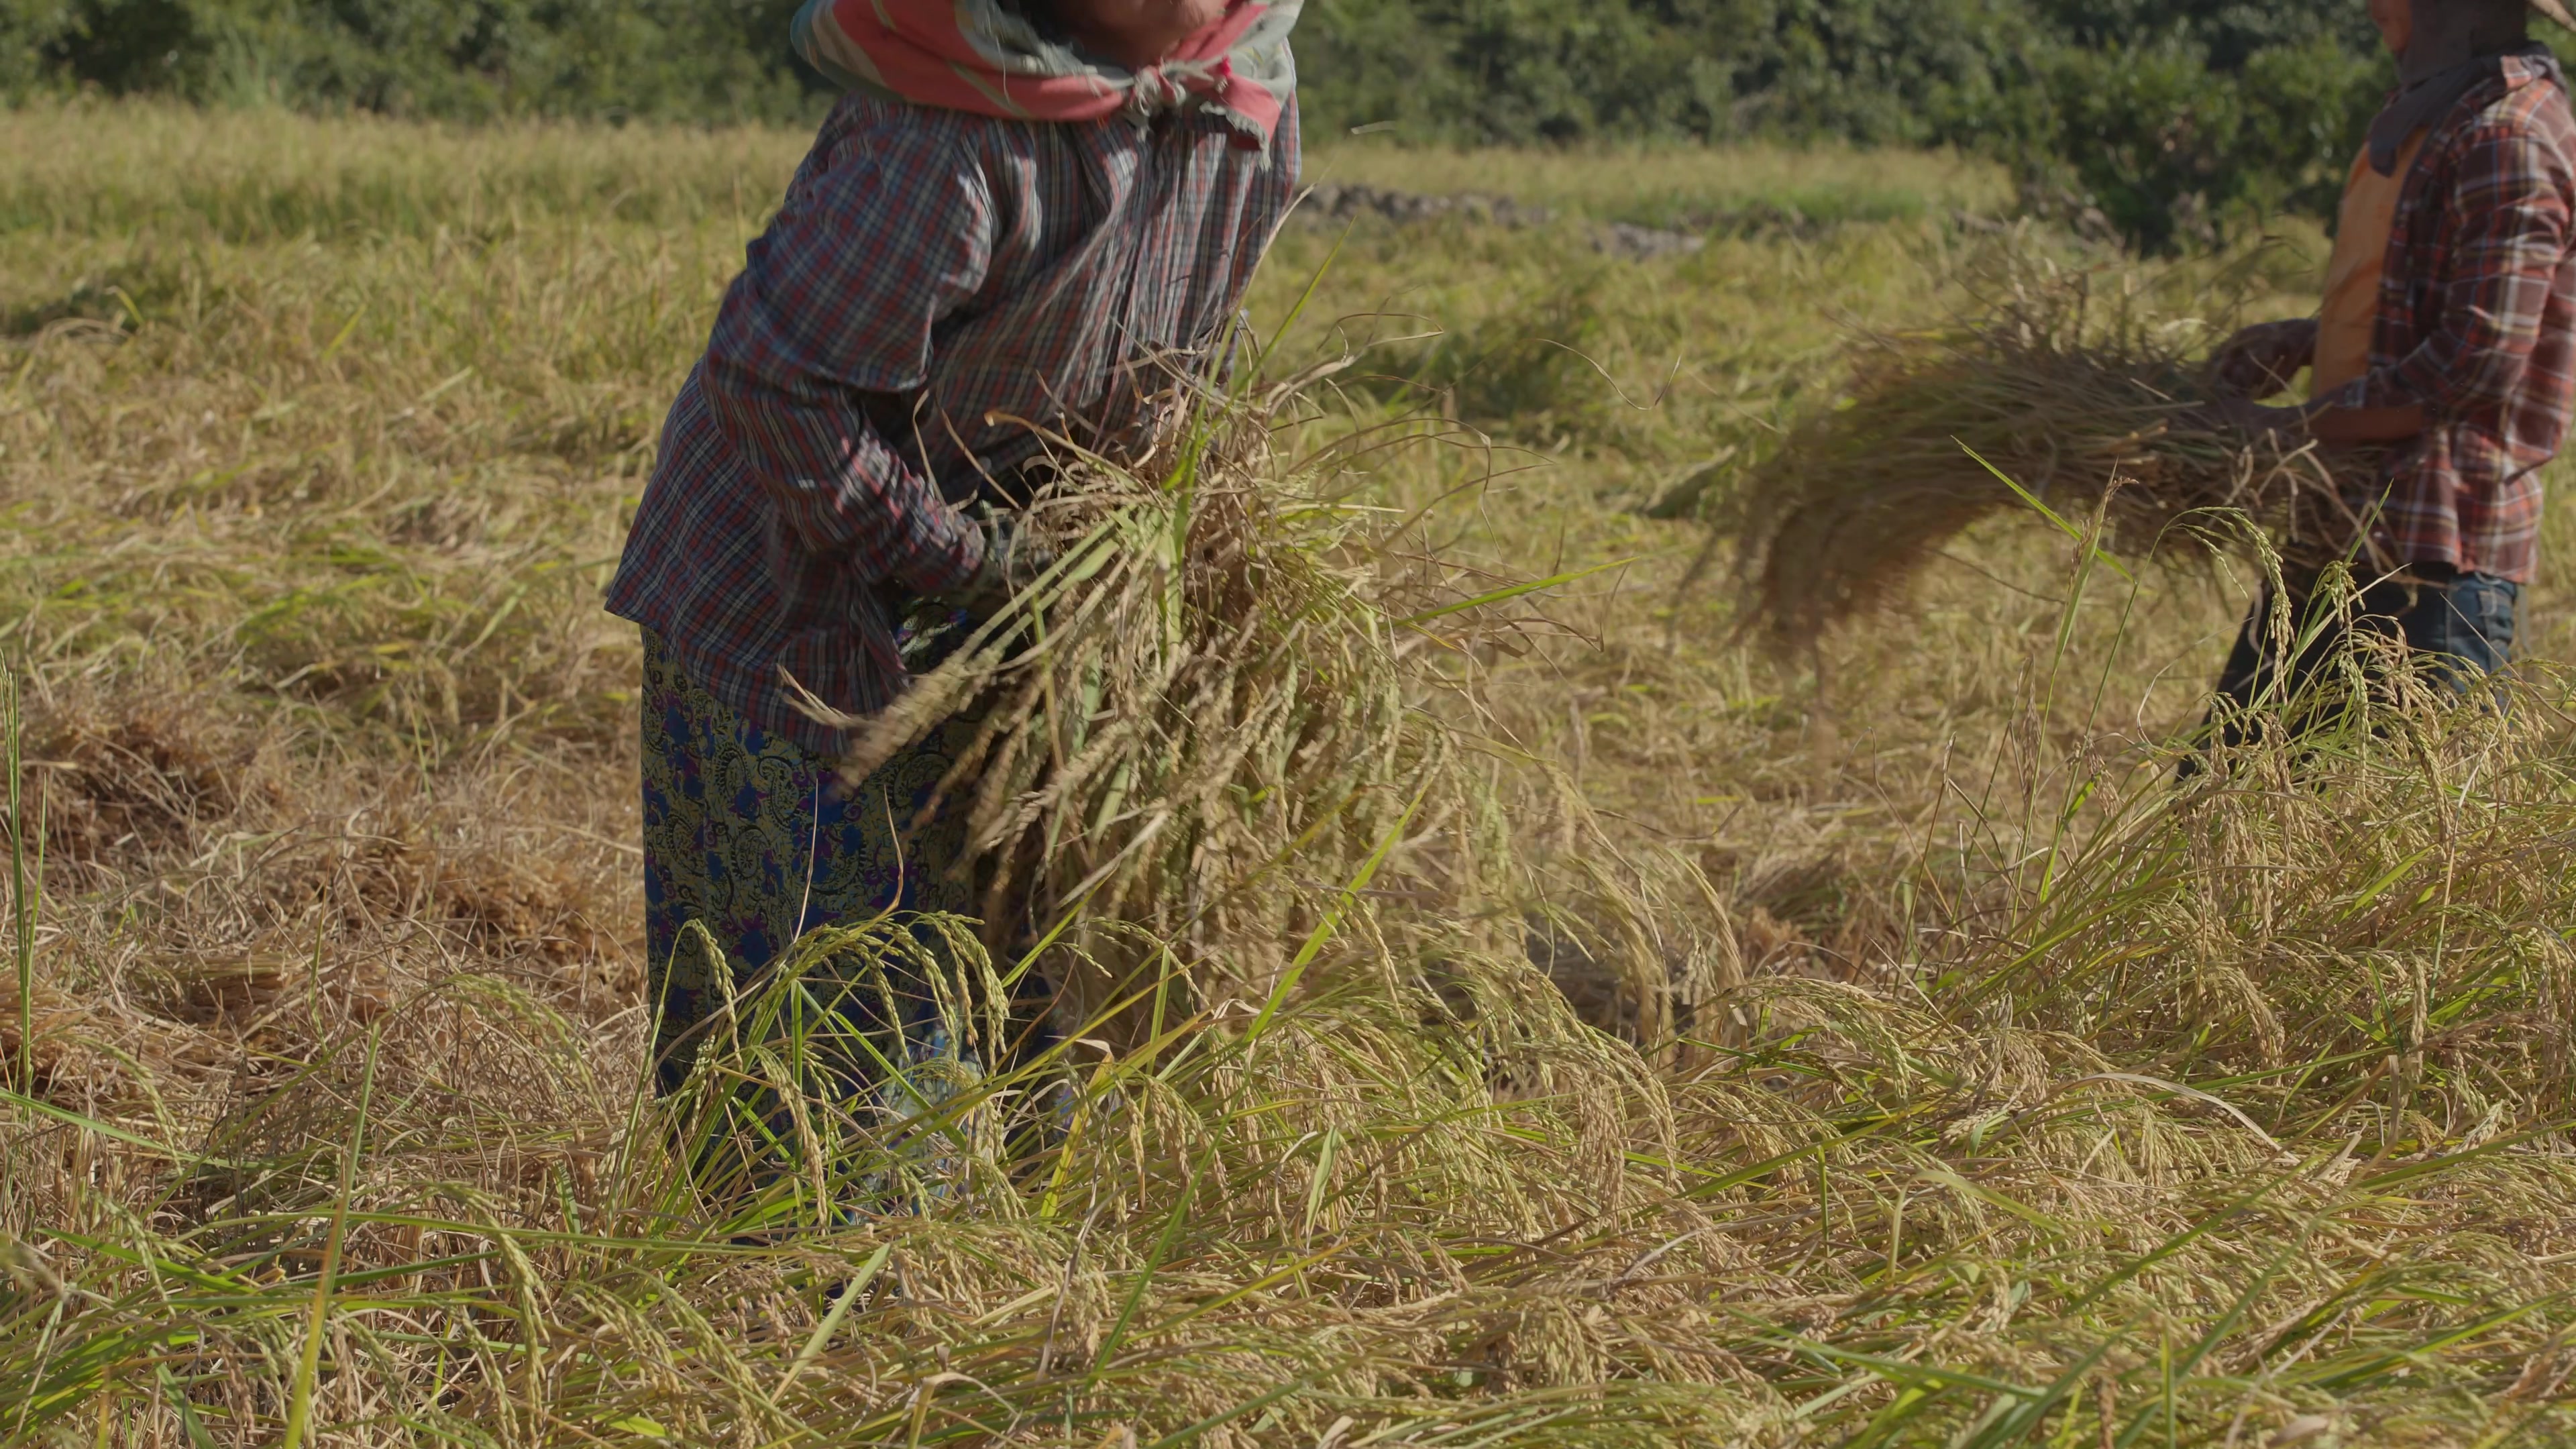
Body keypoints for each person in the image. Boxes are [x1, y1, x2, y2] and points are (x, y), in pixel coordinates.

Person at [604, 0, 1299, 1106]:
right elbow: (778, 387)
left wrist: (1140, 559)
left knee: (1035, 1023)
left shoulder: (1245, 95)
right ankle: (790, 1276)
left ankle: (997, 1267)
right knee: (823, 1052)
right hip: (795, 608)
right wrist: (976, 564)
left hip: (1023, 609)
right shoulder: (953, 135)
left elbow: (1185, 354)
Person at [2204, 0, 2576, 744]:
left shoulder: (2508, 137)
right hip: (2345, 535)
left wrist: (2285, 431)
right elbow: (2425, 308)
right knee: (2225, 808)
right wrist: (2309, 342)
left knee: (2423, 849)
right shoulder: (2440, 119)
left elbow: (2470, 368)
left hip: (2430, 572)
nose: (2373, 7)